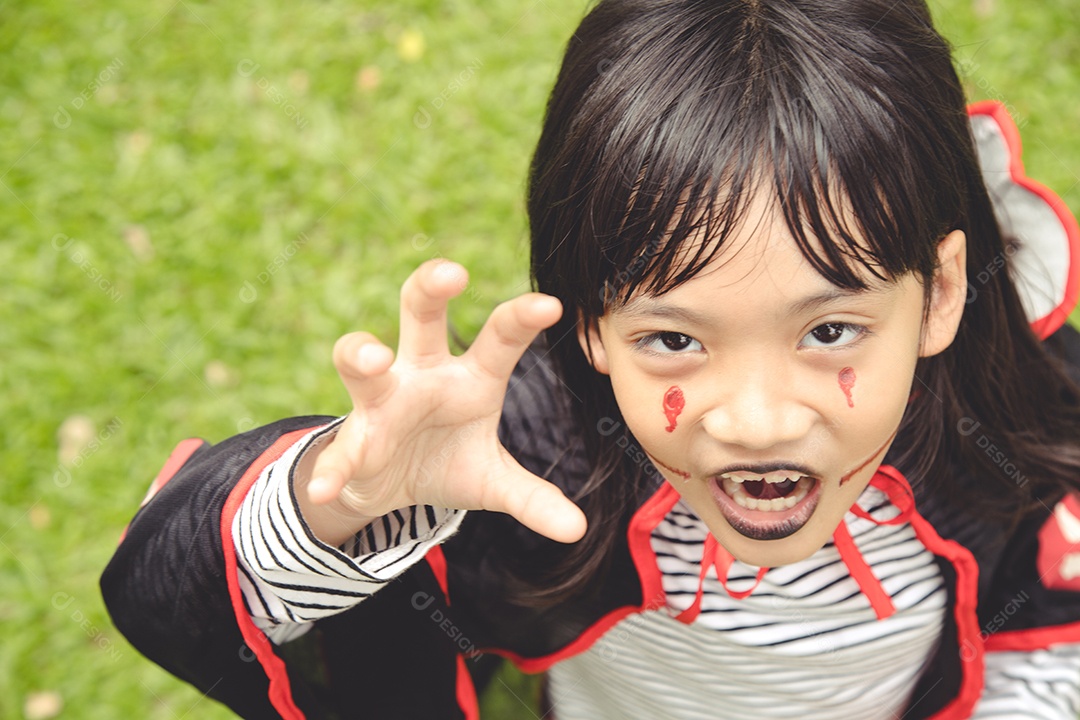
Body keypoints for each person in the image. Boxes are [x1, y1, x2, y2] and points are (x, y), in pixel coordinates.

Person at [102, 0, 1080, 717]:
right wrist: (338, 508)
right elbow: (166, 597)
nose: (757, 420)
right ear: (590, 326)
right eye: (674, 339)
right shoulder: (531, 458)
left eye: (829, 331)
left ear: (943, 292)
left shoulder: (1018, 411)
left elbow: (1054, 628)